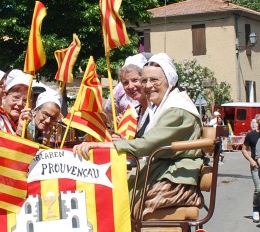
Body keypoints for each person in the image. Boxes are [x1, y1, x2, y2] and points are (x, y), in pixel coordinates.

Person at [74, 53, 203, 217]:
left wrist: (98, 145)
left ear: (170, 81)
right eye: (145, 80)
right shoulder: (166, 106)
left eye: (154, 80)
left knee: (121, 206)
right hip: (162, 172)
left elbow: (146, 144)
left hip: (175, 179)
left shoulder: (177, 110)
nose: (148, 85)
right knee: (112, 194)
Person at [243, 115, 260, 223]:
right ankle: (255, 209)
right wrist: (250, 160)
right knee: (259, 188)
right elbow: (244, 149)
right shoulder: (251, 135)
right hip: (256, 166)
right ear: (257, 122)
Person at [1, 69, 33, 134]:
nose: (20, 103)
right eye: (16, 98)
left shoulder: (24, 123)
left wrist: (21, 128)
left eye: (25, 100)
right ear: (5, 95)